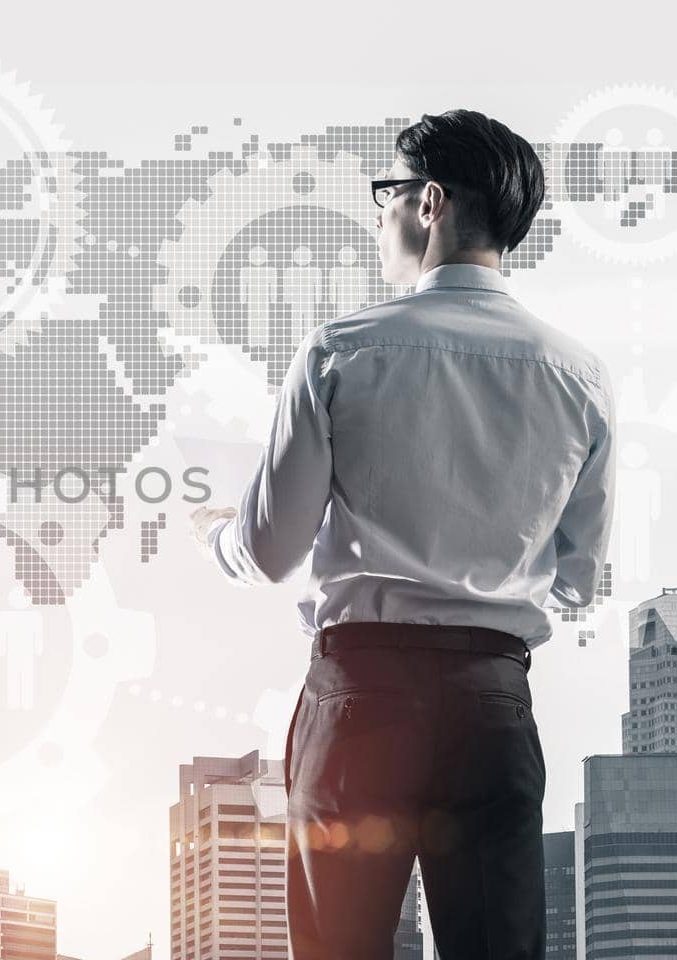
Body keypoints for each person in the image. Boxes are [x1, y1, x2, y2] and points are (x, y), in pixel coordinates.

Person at [190, 109, 616, 959]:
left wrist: (218, 533)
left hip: (361, 699)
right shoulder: (580, 376)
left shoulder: (343, 351)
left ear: (429, 203)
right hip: (491, 699)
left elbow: (269, 551)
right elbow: (578, 583)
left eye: (385, 195)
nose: (379, 216)